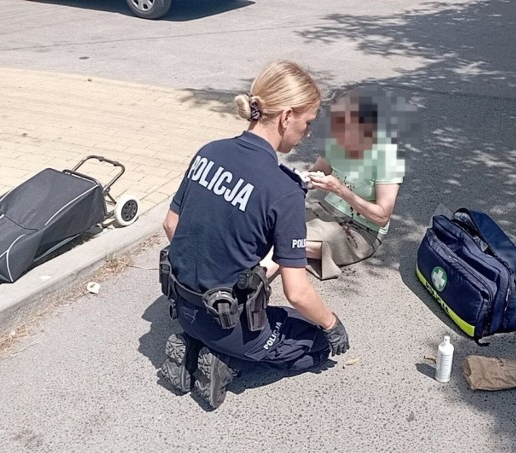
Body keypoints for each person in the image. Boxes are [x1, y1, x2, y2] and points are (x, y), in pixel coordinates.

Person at [159, 60, 350, 410]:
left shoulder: (209, 151)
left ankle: (192, 345)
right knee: (316, 343)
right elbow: (297, 292)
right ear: (286, 116)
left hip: (184, 306)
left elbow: (171, 225)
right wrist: (332, 323)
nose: (307, 133)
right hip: (230, 325)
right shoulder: (283, 189)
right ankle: (225, 362)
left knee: (229, 315)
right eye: (307, 123)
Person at [264, 89, 406, 280]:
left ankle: (250, 288)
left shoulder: (388, 157)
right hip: (325, 210)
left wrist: (339, 189)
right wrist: (296, 178)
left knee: (288, 240)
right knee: (270, 223)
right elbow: (316, 173)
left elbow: (382, 217)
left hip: (361, 230)